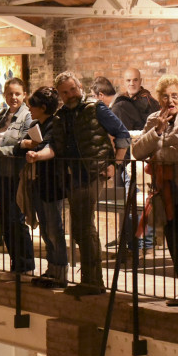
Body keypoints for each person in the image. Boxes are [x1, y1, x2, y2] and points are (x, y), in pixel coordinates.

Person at [48, 71, 131, 295]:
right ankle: (90, 279)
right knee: (80, 228)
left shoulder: (96, 108)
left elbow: (122, 133)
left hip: (94, 172)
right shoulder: (61, 115)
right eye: (65, 92)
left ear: (79, 87)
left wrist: (116, 164)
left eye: (72, 89)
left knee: (83, 226)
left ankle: (93, 282)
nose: (70, 94)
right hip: (73, 175)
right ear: (60, 94)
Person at [132, 74, 178, 309]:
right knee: (174, 242)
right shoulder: (154, 118)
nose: (170, 101)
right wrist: (157, 133)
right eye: (165, 96)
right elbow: (137, 151)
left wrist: (159, 153)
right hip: (165, 192)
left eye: (174, 96)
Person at [0, 77, 35, 274]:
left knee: (16, 220)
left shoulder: (27, 116)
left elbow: (22, 144)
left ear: (24, 95)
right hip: (0, 172)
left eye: (17, 94)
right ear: (4, 95)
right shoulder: (3, 114)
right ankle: (15, 264)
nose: (13, 97)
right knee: (5, 221)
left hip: (16, 173)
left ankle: (25, 265)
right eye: (10, 94)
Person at [19, 87, 68, 287]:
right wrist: (28, 145)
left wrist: (34, 150)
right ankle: (51, 269)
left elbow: (49, 147)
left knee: (54, 228)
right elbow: (21, 145)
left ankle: (60, 272)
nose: (30, 109)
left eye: (33, 106)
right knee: (46, 230)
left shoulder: (54, 124)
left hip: (52, 182)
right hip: (38, 181)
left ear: (44, 107)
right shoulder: (35, 123)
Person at [110, 69, 159, 252]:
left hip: (138, 161)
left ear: (141, 81)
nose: (132, 83)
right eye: (128, 80)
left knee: (140, 204)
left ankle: (141, 245)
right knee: (136, 204)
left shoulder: (149, 104)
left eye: (135, 80)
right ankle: (137, 245)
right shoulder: (129, 103)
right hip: (132, 160)